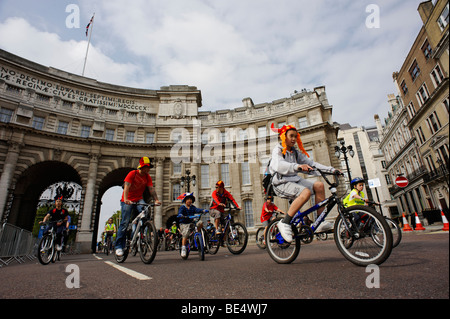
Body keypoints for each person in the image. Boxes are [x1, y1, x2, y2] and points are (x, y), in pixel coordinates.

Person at [269, 123, 339, 243]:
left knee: (319, 185)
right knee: (305, 192)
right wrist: (298, 166)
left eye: (295, 137)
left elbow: (312, 164)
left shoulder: (295, 152)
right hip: (280, 182)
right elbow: (278, 165)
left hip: (294, 180)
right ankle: (284, 222)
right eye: (291, 136)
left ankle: (320, 222)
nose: (294, 139)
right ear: (283, 136)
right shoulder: (278, 150)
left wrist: (331, 170)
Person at [115, 156, 161, 257]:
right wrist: (126, 199)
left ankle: (143, 232)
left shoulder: (147, 177)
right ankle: (118, 246)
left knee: (146, 210)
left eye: (149, 167)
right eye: (147, 167)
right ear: (142, 167)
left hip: (139, 199)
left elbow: (151, 189)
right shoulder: (132, 174)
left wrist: (156, 199)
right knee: (125, 222)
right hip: (127, 200)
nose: (149, 169)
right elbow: (126, 186)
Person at [177, 193, 208, 258]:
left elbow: (197, 210)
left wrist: (203, 210)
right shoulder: (183, 207)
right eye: (188, 199)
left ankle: (197, 234)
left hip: (191, 222)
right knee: (185, 234)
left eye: (190, 199)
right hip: (184, 223)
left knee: (200, 223)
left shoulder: (192, 207)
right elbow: (180, 212)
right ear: (185, 200)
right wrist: (180, 215)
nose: (189, 200)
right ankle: (183, 248)